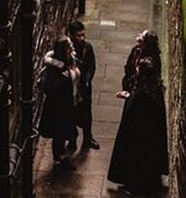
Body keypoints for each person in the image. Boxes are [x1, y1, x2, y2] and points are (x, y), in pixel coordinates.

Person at [107, 57, 169, 195]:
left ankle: (136, 187)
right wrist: (130, 96)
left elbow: (134, 112)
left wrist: (129, 98)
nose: (136, 69)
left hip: (139, 136)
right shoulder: (155, 89)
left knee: (137, 162)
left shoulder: (143, 93)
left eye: (138, 68)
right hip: (150, 136)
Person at [38, 36, 81, 171]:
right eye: (70, 45)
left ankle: (63, 158)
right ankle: (59, 160)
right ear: (64, 50)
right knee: (59, 136)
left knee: (69, 133)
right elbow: (50, 89)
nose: (73, 46)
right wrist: (63, 79)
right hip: (59, 108)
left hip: (70, 104)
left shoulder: (71, 60)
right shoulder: (54, 68)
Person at [67, 20, 100, 151]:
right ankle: (72, 141)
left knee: (87, 113)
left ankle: (88, 138)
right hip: (72, 88)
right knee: (71, 114)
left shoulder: (88, 48)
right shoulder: (68, 50)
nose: (81, 38)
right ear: (72, 36)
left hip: (85, 88)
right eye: (78, 35)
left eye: (83, 35)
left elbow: (92, 66)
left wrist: (87, 80)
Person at [119, 30, 162, 98]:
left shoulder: (150, 62)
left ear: (145, 42)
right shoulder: (136, 50)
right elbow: (128, 67)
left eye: (142, 36)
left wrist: (130, 96)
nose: (139, 34)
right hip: (131, 91)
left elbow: (146, 87)